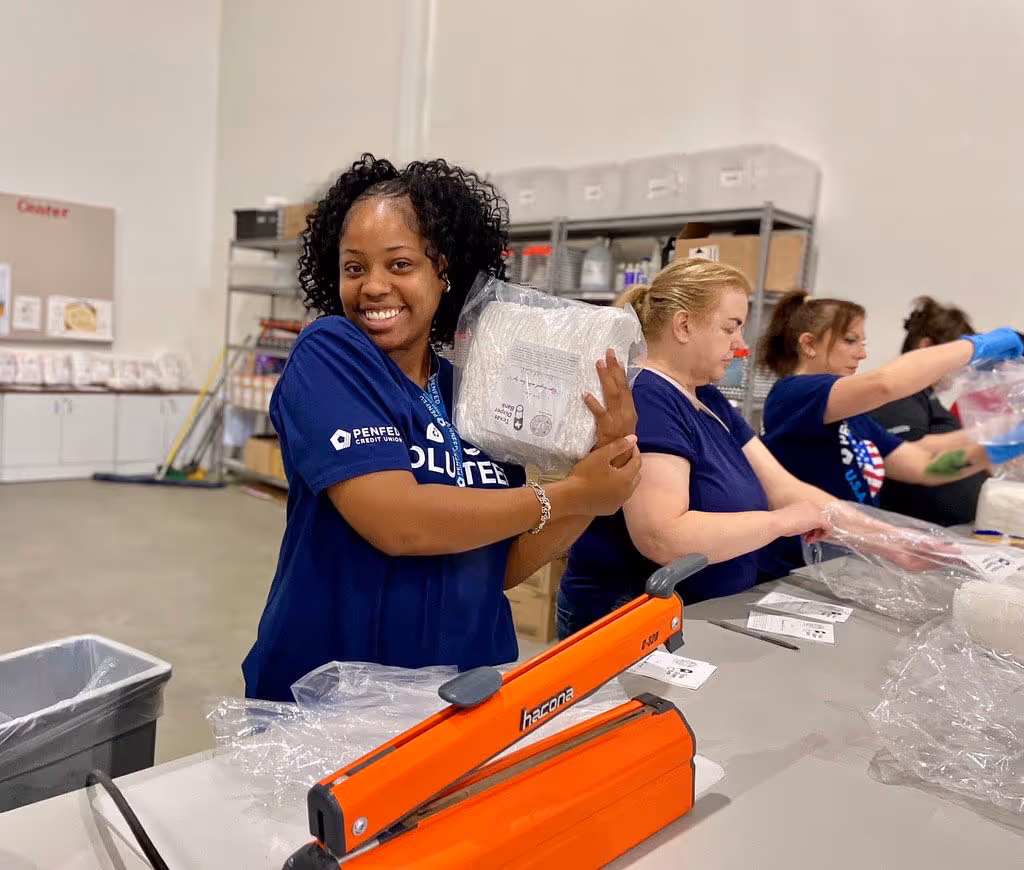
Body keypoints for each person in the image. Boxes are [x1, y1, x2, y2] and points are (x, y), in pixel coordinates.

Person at [243, 155, 641, 701]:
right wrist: (569, 492)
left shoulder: (472, 392)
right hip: (333, 693)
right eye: (354, 268)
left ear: (443, 272)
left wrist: (598, 478)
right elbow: (399, 523)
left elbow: (500, 564)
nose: (373, 287)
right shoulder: (332, 354)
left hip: (458, 693)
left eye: (400, 265)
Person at [557, 259, 850, 638]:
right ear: (683, 326)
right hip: (627, 622)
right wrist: (782, 523)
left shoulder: (707, 397)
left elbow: (782, 487)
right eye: (731, 328)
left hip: (694, 615)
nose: (741, 345)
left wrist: (886, 537)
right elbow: (664, 537)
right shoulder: (648, 399)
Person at [757, 291, 1023, 576]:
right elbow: (885, 383)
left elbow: (925, 467)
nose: (862, 353)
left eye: (863, 342)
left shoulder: (852, 418)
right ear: (808, 344)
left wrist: (1000, 447)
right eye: (850, 340)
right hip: (789, 573)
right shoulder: (793, 394)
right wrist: (976, 347)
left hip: (835, 568)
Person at [869, 297, 986, 526]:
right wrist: (988, 443)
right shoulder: (898, 397)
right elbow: (913, 454)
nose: (965, 368)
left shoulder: (926, 400)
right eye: (961, 358)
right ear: (927, 347)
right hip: (909, 534)